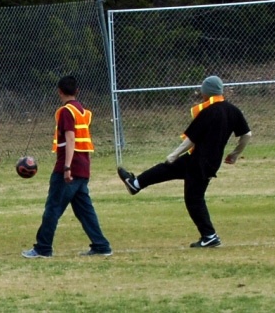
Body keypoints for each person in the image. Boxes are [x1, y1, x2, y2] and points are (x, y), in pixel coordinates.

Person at [117, 75, 251, 248]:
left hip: (200, 162)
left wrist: (174, 154)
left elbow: (191, 139)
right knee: (167, 169)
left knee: (194, 198)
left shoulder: (208, 111)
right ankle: (135, 184)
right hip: (209, 161)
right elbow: (247, 135)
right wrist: (235, 154)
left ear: (207, 92)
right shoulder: (233, 110)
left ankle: (209, 236)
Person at [22, 76, 112, 258]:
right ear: (77, 91)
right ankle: (101, 246)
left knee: (53, 208)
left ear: (59, 91)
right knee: (85, 211)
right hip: (83, 167)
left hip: (69, 167)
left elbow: (70, 138)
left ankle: (43, 248)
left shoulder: (66, 112)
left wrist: (67, 167)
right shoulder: (83, 111)